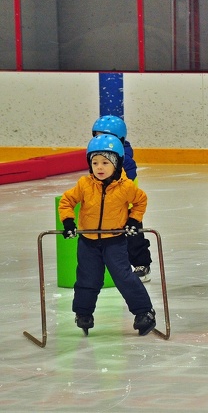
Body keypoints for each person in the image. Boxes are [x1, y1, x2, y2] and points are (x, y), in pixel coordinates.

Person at [58, 134, 156, 336]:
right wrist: (68, 221)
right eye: (95, 163)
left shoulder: (126, 187)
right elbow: (67, 201)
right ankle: (83, 313)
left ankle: (144, 312)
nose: (99, 167)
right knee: (87, 279)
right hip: (88, 242)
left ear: (117, 164)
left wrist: (133, 220)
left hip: (115, 241)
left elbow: (140, 201)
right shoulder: (84, 184)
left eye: (105, 162)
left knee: (124, 277)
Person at [92, 115, 153, 283]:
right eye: (97, 136)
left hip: (128, 205)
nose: (100, 140)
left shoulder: (125, 158)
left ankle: (142, 265)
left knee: (133, 236)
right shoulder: (97, 155)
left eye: (105, 136)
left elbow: (126, 181)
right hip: (108, 205)